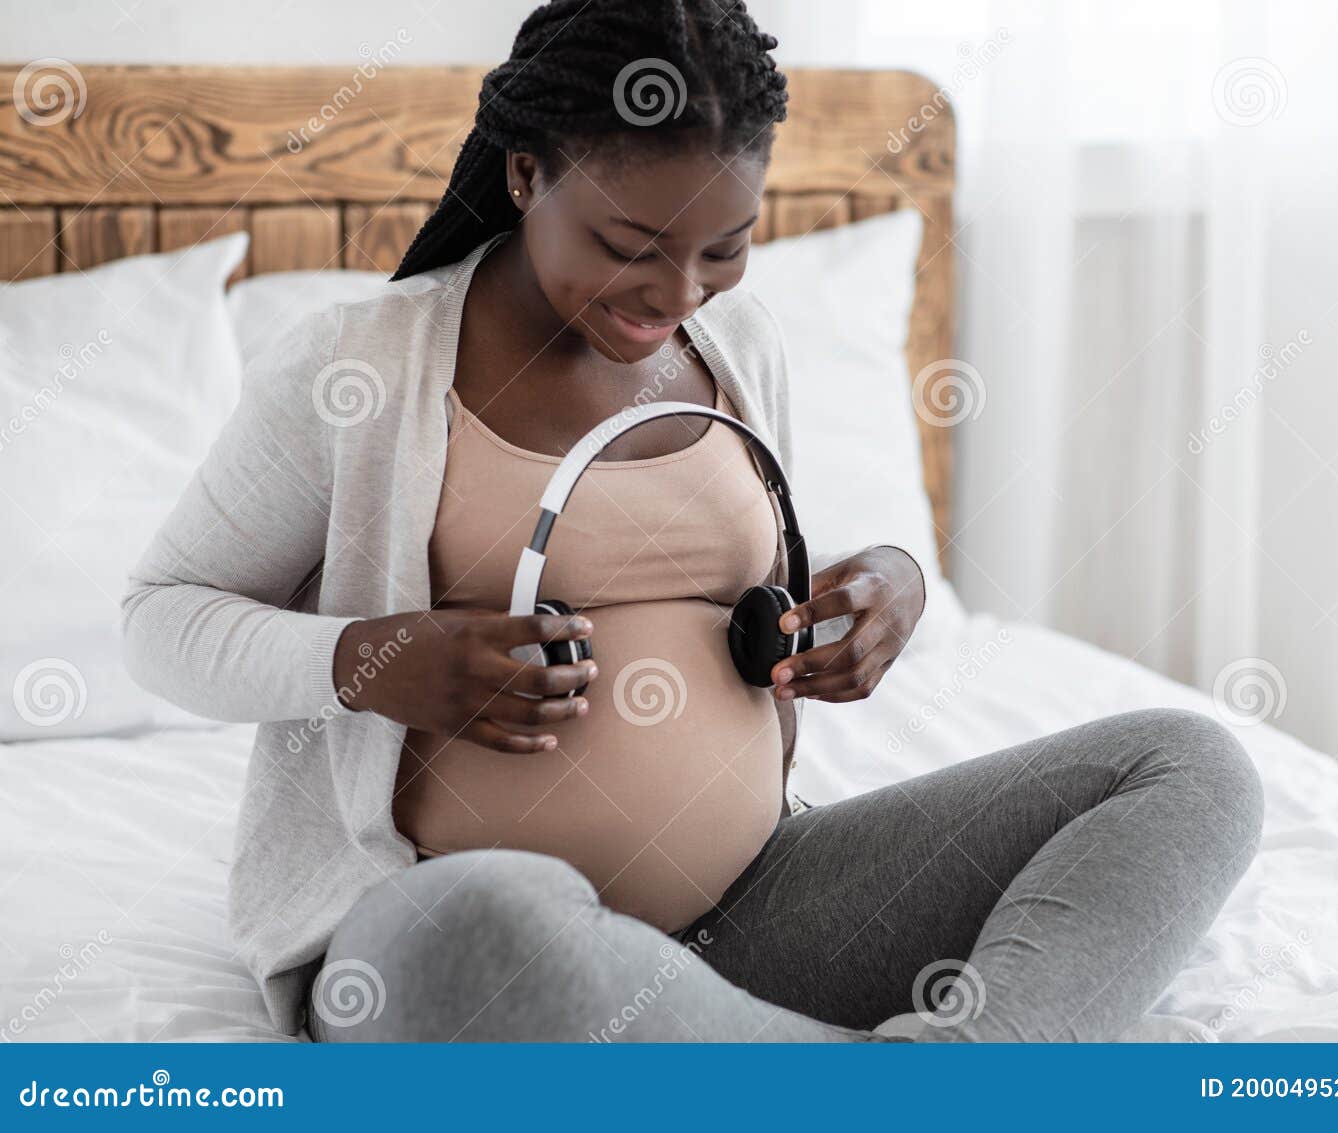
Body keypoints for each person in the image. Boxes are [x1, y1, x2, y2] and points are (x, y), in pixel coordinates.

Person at [122, 0, 1262, 1043]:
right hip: (456, 926)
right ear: (525, 176)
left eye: (721, 248)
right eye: (628, 247)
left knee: (1187, 767)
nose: (675, 293)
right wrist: (376, 659)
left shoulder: (740, 346)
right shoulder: (359, 365)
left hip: (754, 907)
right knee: (487, 931)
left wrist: (893, 585)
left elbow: (783, 564)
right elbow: (158, 617)